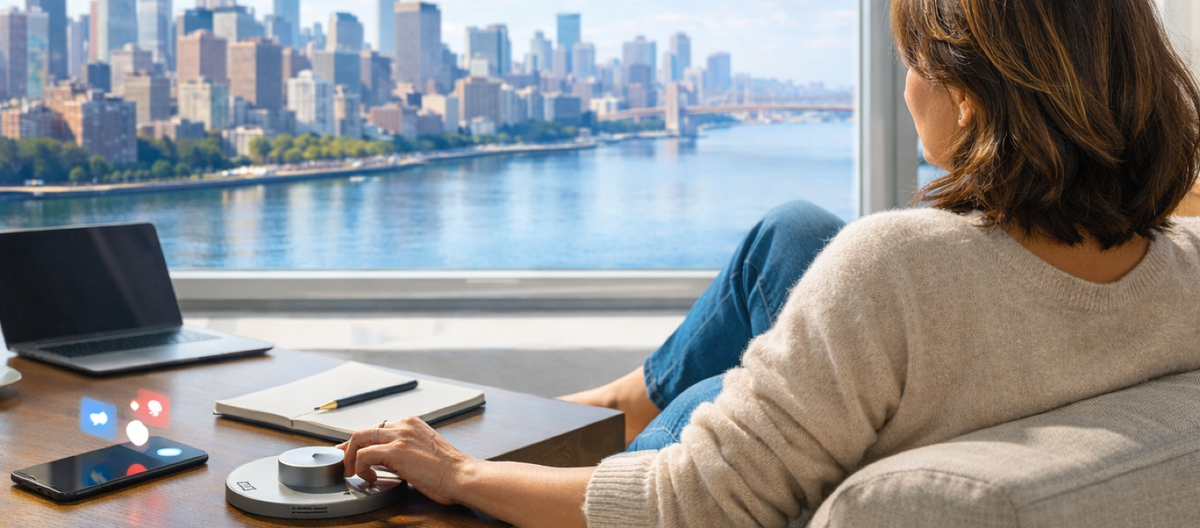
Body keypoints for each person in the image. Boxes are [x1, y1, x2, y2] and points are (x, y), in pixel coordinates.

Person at [337, 0, 1200, 526]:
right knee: (794, 230)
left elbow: (686, 508)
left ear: (969, 101)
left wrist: (461, 474)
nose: (905, 89)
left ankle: (551, 439)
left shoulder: (898, 269)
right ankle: (602, 409)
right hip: (966, 381)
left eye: (910, 65)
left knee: (718, 392)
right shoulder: (1184, 263)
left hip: (709, 498)